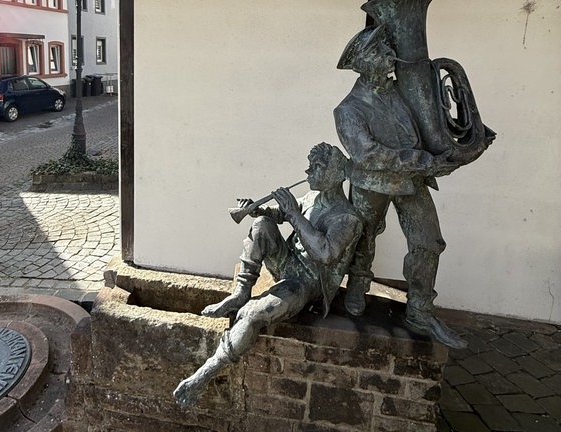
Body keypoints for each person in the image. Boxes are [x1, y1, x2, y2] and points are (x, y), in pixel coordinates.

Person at [173, 142, 363, 408]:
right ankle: (240, 293)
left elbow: (324, 253)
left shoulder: (347, 218)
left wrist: (294, 214)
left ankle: (202, 376)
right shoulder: (312, 198)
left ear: (335, 174)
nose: (308, 171)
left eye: (315, 168)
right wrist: (258, 209)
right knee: (261, 224)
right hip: (290, 264)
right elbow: (281, 214)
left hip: (306, 283)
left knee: (254, 315)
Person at [333, 25, 467, 349]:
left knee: (428, 242)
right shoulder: (347, 110)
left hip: (411, 181)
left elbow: (424, 125)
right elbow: (368, 154)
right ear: (364, 62)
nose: (391, 56)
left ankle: (420, 312)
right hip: (372, 183)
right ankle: (356, 287)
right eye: (382, 52)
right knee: (362, 238)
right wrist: (421, 160)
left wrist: (442, 149)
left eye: (388, 49)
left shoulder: (402, 89)